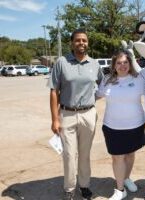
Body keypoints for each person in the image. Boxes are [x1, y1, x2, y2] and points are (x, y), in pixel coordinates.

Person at [49, 28, 103, 200]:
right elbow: (53, 92)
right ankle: (69, 188)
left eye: (84, 40)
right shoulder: (62, 62)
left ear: (88, 43)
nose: (81, 43)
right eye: (78, 40)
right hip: (67, 114)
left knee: (85, 154)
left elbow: (104, 85)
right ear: (72, 43)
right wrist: (54, 119)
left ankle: (84, 185)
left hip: (88, 114)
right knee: (69, 155)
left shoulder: (94, 64)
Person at [96, 50, 145, 200]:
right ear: (114, 65)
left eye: (125, 62)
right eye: (119, 63)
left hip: (135, 125)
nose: (122, 65)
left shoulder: (139, 79)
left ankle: (126, 178)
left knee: (130, 155)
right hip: (112, 127)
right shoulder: (107, 80)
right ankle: (120, 190)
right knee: (117, 157)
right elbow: (96, 95)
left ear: (130, 64)